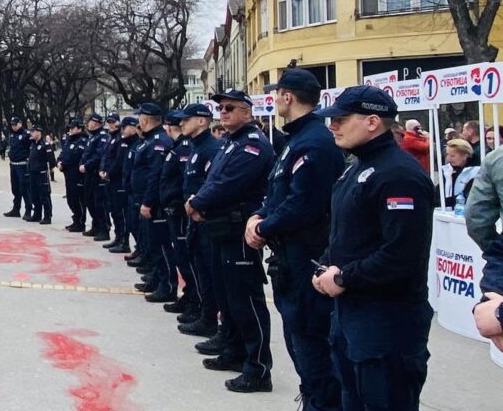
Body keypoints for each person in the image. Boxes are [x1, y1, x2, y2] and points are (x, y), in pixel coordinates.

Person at [309, 86, 435, 411]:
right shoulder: (356, 167)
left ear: (372, 121)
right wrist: (326, 265)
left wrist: (344, 278)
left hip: (387, 319)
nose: (333, 126)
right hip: (353, 314)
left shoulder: (398, 174)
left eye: (341, 119)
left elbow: (401, 254)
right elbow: (349, 235)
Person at [246, 69, 345, 409]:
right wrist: (261, 215)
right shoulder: (296, 140)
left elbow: (304, 204)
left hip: (308, 259)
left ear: (288, 96)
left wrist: (264, 227)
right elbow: (279, 191)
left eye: (276, 94)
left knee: (313, 349)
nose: (273, 100)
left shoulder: (314, 142)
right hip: (291, 258)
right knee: (301, 345)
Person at [185, 89, 276, 393]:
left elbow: (227, 185)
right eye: (221, 108)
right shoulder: (230, 142)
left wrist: (198, 202)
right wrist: (202, 203)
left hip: (239, 230)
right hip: (222, 227)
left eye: (230, 108)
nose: (223, 112)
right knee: (228, 297)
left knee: (246, 300)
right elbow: (214, 181)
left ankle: (258, 367)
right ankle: (235, 350)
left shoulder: (252, 145)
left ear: (247, 113)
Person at [176, 104, 222, 339]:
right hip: (194, 217)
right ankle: (205, 315)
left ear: (202, 121)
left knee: (209, 272)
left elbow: (212, 183)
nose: (181, 123)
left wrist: (199, 206)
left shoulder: (212, 148)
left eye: (187, 119)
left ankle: (210, 319)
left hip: (206, 219)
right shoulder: (196, 147)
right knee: (199, 269)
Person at [128, 104, 170, 298]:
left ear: (145, 120)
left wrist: (147, 202)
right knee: (150, 243)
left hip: (153, 203)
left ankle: (165, 285)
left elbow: (155, 175)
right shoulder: (149, 140)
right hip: (142, 199)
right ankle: (155, 278)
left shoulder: (158, 141)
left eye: (140, 118)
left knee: (159, 245)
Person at [148, 110, 189, 307]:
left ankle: (182, 294)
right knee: (173, 252)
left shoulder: (181, 148)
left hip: (176, 209)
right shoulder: (174, 147)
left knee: (181, 256)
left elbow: (179, 180)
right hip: (168, 206)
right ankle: (186, 296)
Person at [101, 114, 132, 253]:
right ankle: (118, 237)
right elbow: (105, 156)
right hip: (109, 179)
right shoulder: (111, 138)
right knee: (113, 210)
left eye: (113, 122)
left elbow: (119, 161)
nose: (111, 125)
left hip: (117, 180)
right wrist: (102, 169)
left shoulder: (121, 139)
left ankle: (124, 241)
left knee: (120, 213)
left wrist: (109, 173)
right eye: (109, 122)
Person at [79, 114, 109, 240]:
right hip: (89, 174)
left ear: (95, 123)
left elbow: (99, 155)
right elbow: (86, 153)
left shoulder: (102, 136)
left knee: (99, 203)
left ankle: (104, 229)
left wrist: (87, 165)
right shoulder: (92, 136)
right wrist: (82, 163)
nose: (88, 124)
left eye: (90, 121)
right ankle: (95, 226)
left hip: (96, 173)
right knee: (89, 200)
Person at [56, 119, 87, 232]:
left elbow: (75, 157)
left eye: (72, 128)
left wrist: (63, 163)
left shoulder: (82, 141)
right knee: (70, 199)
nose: (70, 130)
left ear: (79, 128)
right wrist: (58, 161)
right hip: (68, 174)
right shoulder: (69, 140)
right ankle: (75, 220)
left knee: (77, 199)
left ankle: (80, 222)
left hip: (76, 174)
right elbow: (63, 153)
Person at [25, 125, 56, 224]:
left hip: (41, 173)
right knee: (34, 195)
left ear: (38, 132)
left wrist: (45, 169)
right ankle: (37, 214)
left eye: (33, 131)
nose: (31, 133)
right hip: (33, 173)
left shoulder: (45, 144)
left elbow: (52, 161)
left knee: (44, 195)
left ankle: (47, 216)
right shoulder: (33, 144)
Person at [440, 139, 479, 212]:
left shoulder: (476, 171)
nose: (448, 159)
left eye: (452, 156)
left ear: (465, 156)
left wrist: (447, 201)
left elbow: (469, 196)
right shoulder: (448, 170)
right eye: (447, 154)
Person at [3, 117, 31, 218]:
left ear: (20, 123)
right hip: (13, 164)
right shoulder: (12, 134)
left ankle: (28, 209)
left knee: (24, 189)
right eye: (12, 125)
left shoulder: (26, 134)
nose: (13, 126)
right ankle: (16, 209)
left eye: (15, 124)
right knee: (15, 188)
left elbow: (30, 148)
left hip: (22, 165)